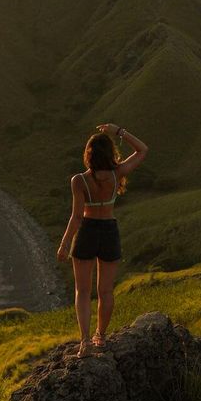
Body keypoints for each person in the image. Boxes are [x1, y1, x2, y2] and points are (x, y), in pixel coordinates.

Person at [57, 123, 148, 358]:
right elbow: (143, 150)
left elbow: (76, 217)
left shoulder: (79, 180)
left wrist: (65, 244)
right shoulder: (117, 174)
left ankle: (85, 342)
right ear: (110, 153)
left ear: (88, 155)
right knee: (106, 291)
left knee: (83, 291)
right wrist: (119, 132)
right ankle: (101, 336)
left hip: (87, 231)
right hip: (109, 230)